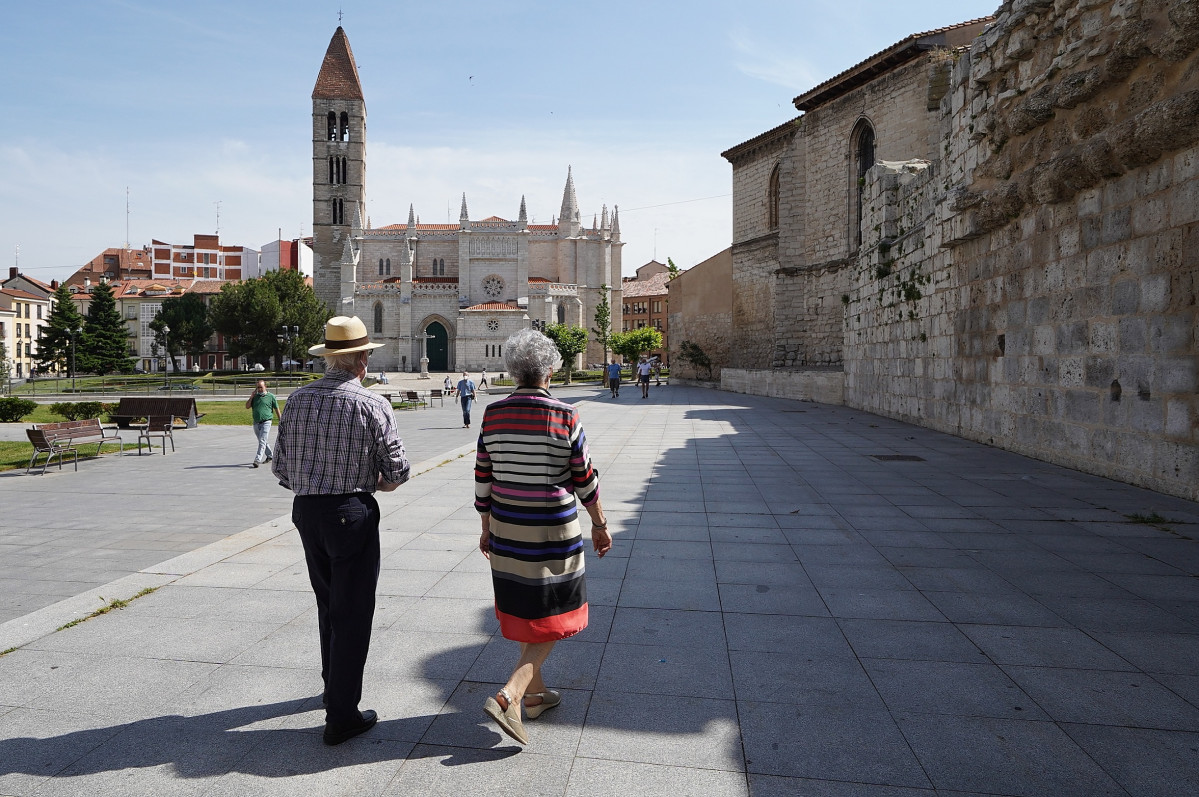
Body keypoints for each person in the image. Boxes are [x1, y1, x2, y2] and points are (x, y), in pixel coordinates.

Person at [271, 316, 411, 746]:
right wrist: (378, 482)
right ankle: (342, 714)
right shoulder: (371, 404)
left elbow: (280, 468)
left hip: (307, 511)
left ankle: (333, 684)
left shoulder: (295, 400)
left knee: (328, 602)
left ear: (329, 357)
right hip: (351, 511)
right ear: (362, 359)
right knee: (352, 614)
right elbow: (397, 469)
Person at [477, 329, 611, 746]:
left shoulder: (493, 414)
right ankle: (511, 694)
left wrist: (485, 527)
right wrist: (600, 524)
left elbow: (484, 476)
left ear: (512, 370)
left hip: (506, 526)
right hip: (552, 530)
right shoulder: (565, 415)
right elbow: (584, 478)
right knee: (557, 611)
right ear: (551, 370)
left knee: (524, 607)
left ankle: (535, 695)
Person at [245, 379, 280, 468]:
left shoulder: (271, 396)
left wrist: (281, 420)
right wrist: (251, 397)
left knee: (262, 441)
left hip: (266, 422)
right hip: (256, 422)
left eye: (261, 387)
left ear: (265, 387)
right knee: (262, 441)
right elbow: (247, 406)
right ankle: (270, 455)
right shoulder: (255, 397)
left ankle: (257, 460)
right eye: (258, 387)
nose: (259, 389)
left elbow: (276, 409)